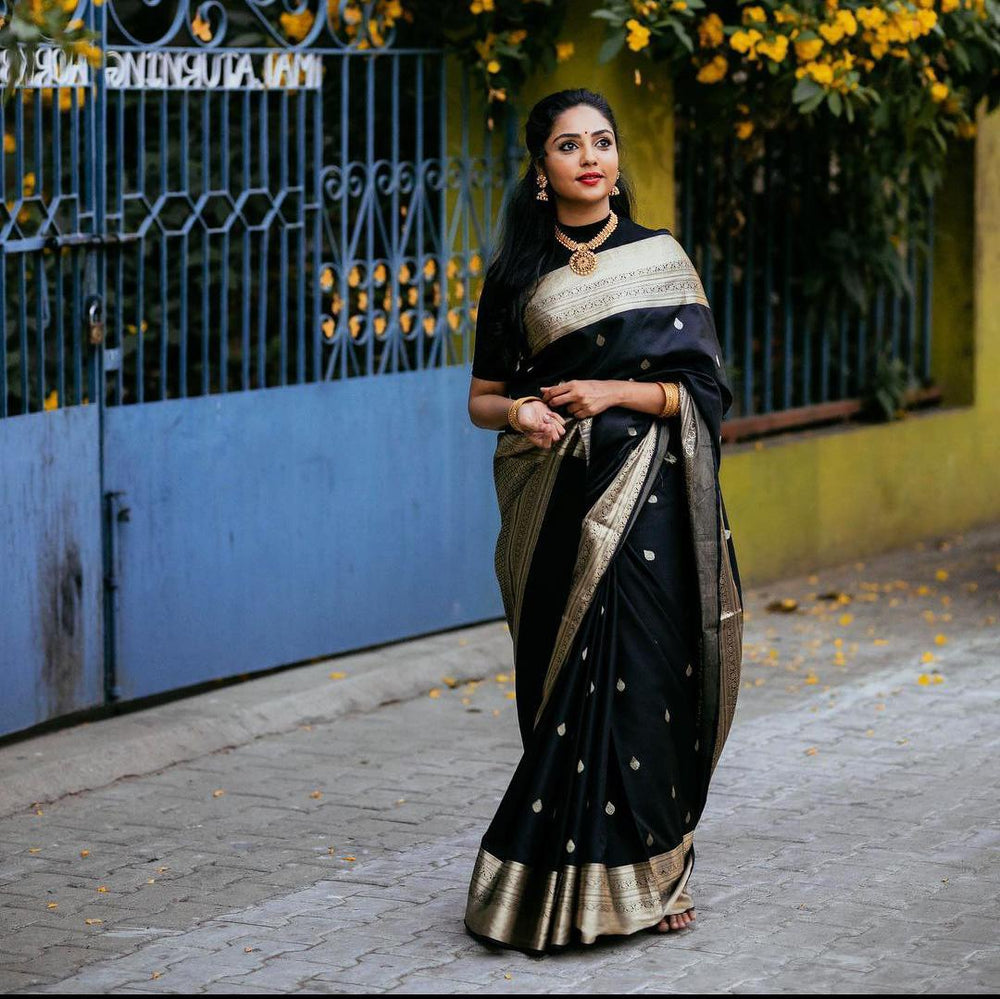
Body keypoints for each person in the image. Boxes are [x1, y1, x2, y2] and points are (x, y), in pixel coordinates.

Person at [464, 88, 744, 956]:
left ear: (617, 162)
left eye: (602, 142)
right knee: (569, 689)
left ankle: (658, 875)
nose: (589, 157)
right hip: (562, 508)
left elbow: (703, 394)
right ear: (541, 170)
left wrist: (613, 392)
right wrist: (524, 417)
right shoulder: (517, 275)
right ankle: (549, 877)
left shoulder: (661, 258)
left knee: (650, 682)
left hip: (656, 507)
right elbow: (481, 398)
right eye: (567, 146)